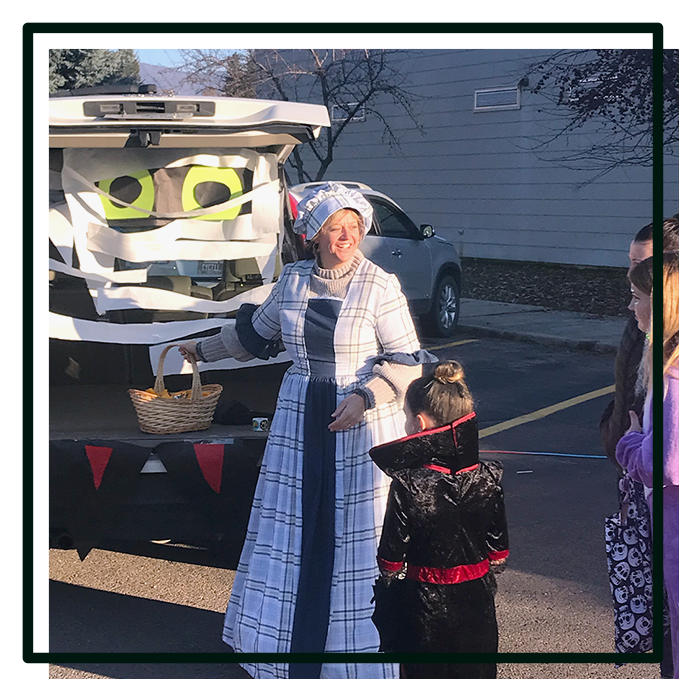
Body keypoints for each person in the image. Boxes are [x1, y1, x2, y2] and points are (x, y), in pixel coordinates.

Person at [179, 182, 436, 679]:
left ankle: (353, 655)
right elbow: (256, 335)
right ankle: (280, 641)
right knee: (292, 524)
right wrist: (202, 352)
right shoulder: (294, 280)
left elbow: (407, 363)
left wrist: (365, 398)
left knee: (356, 532)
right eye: (333, 229)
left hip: (360, 421)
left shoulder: (380, 285)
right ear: (313, 235)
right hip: (300, 414)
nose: (344, 238)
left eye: (352, 228)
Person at [368, 360, 509, 679]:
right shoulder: (488, 479)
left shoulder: (409, 484)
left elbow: (390, 558)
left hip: (425, 605)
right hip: (477, 600)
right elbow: (499, 552)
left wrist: (391, 575)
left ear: (418, 423)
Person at [616, 251, 679, 679]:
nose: (631, 306)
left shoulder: (675, 372)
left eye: (637, 296)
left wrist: (631, 443)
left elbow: (668, 464)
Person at [600, 216, 678, 475]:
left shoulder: (675, 365)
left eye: (640, 263)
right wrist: (613, 425)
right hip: (632, 456)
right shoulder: (641, 320)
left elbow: (666, 462)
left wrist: (632, 444)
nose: (631, 273)